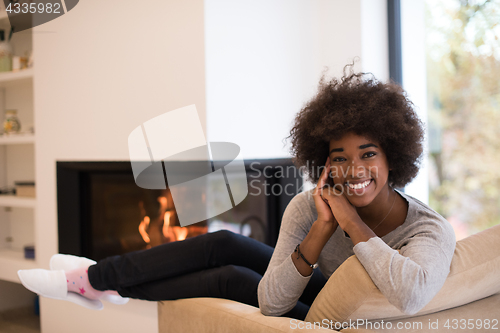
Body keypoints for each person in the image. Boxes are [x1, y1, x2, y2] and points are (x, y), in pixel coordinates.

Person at [17, 64, 456, 321]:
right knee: (225, 242)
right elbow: (273, 298)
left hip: (349, 317)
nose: (353, 169)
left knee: (229, 278)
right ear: (323, 160)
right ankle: (98, 279)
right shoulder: (310, 207)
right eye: (339, 156)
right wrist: (322, 228)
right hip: (323, 288)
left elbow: (411, 293)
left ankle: (96, 282)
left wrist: (349, 223)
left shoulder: (427, 230)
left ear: (393, 157)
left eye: (368, 154)